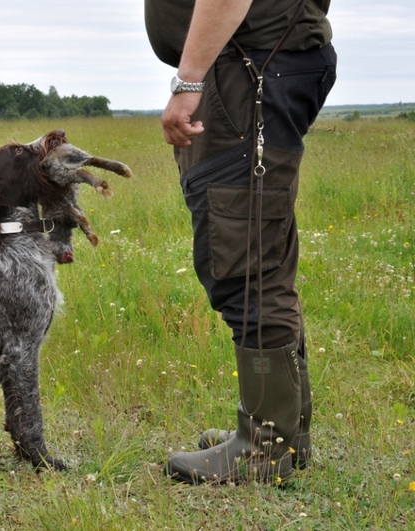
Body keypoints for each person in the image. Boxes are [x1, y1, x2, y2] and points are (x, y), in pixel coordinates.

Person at [144, 0, 337, 484]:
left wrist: (188, 83)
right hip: (256, 66)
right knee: (260, 250)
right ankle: (286, 436)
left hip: (250, 70)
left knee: (245, 262)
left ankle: (263, 449)